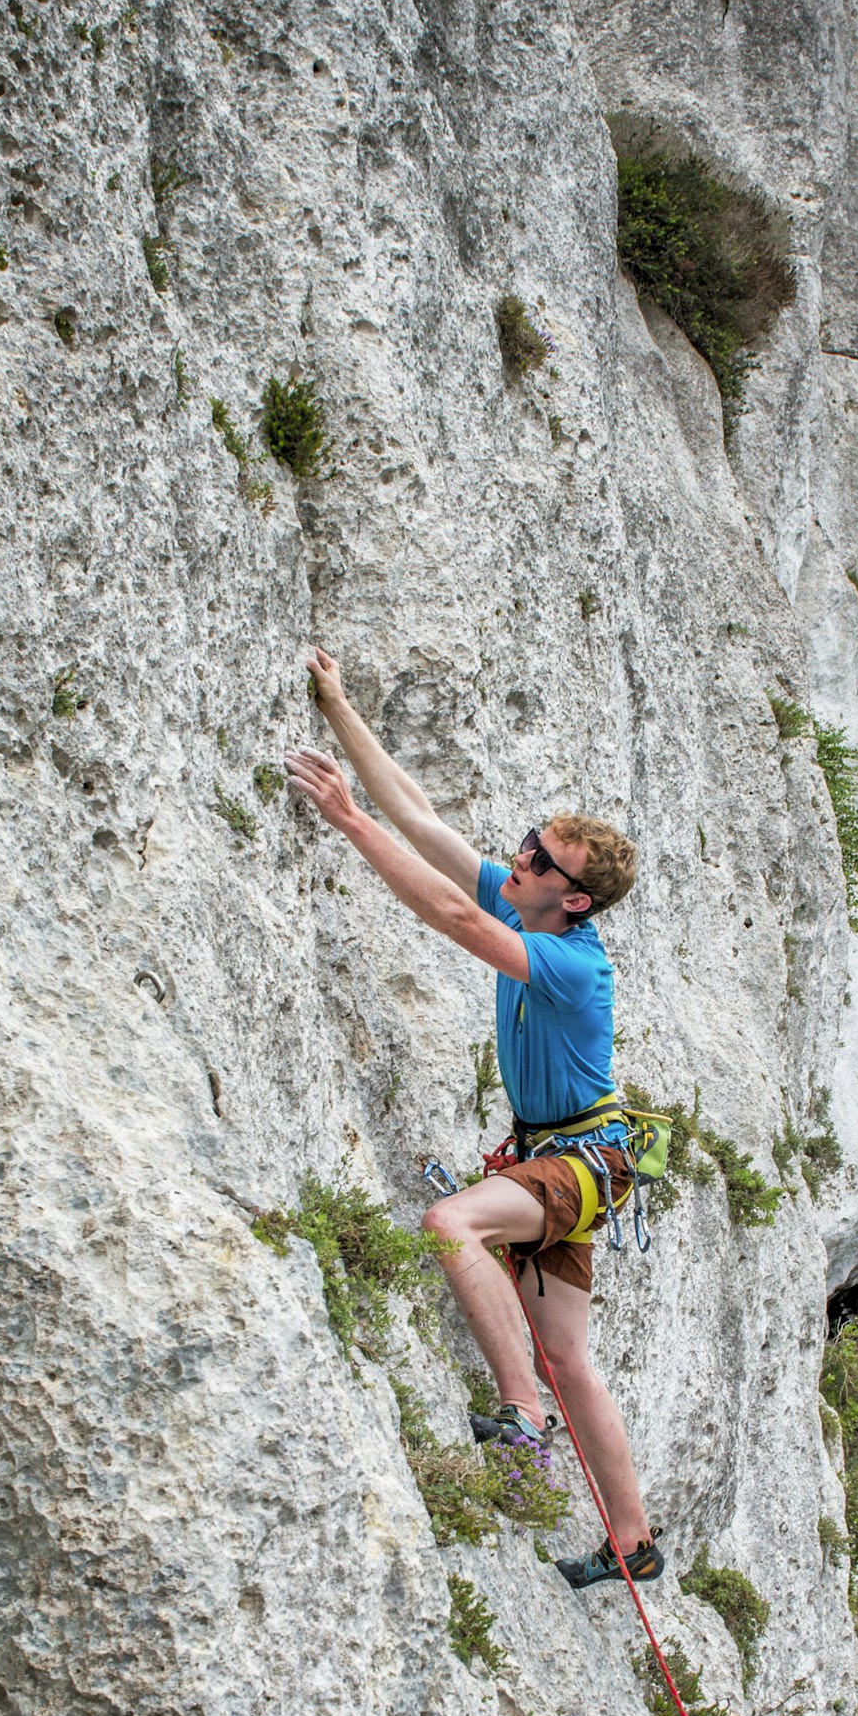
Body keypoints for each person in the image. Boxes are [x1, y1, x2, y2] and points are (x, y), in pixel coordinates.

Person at [285, 647, 660, 1588]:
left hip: (582, 1162)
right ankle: (634, 1541)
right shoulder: (530, 904)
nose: (521, 858)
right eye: (531, 843)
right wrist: (338, 704)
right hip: (569, 1160)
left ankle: (518, 1417)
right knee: (574, 1357)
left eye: (540, 860)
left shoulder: (574, 963)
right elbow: (419, 815)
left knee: (452, 1222)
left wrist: (344, 822)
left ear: (571, 897)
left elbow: (452, 917)